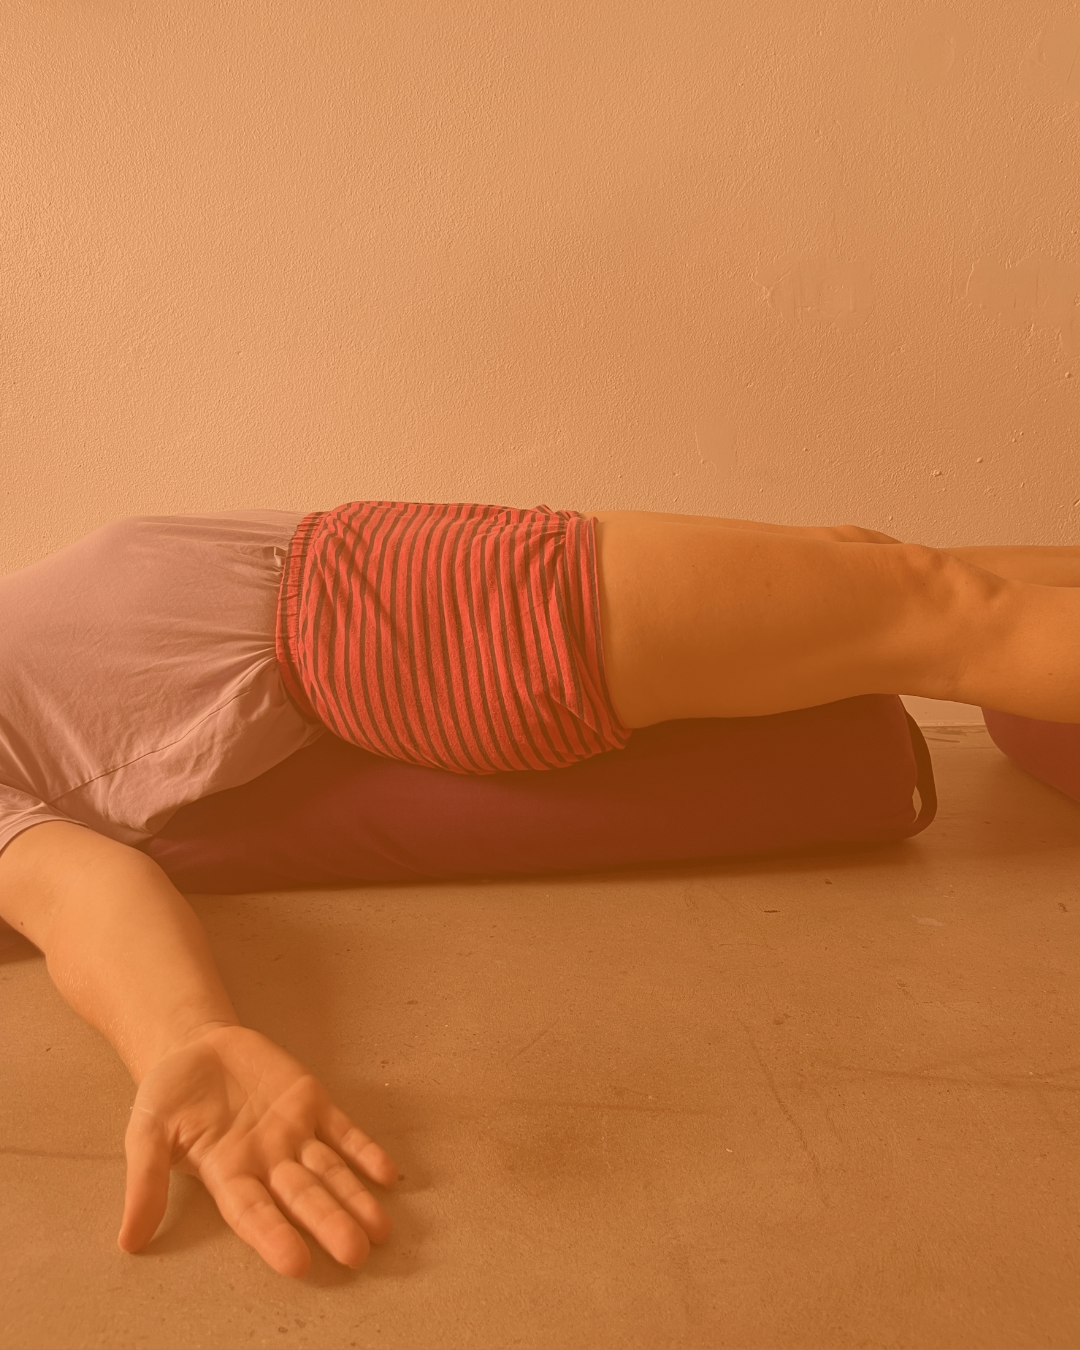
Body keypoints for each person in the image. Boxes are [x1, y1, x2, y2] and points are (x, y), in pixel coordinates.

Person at [2, 497, 1080, 1280]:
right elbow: (70, 887)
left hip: (386, 585)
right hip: (401, 621)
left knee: (875, 568)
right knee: (936, 611)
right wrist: (183, 1038)